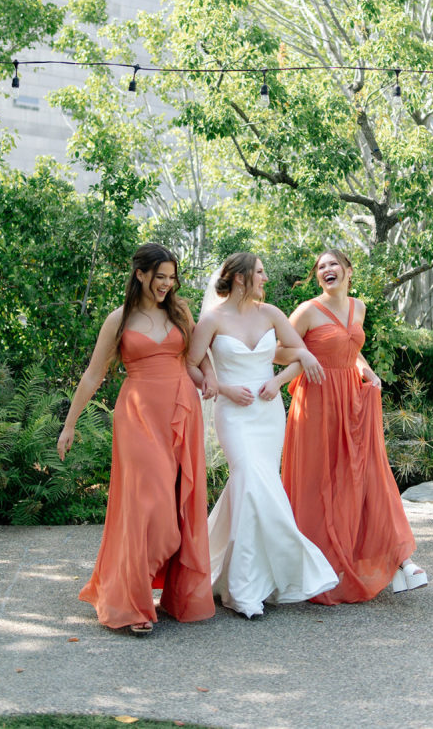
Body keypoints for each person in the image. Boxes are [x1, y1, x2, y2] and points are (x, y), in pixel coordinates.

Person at [57, 243, 216, 635]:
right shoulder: (119, 319)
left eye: (171, 277)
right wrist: (69, 424)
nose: (166, 284)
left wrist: (210, 377)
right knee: (153, 507)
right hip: (138, 416)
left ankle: (151, 591)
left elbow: (197, 356)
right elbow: (93, 375)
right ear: (140, 274)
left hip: (181, 410)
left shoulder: (180, 312)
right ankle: (133, 598)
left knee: (178, 503)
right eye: (159, 276)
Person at [188, 252, 338, 619]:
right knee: (251, 482)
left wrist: (277, 381)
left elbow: (300, 353)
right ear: (240, 278)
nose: (265, 277)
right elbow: (190, 363)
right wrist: (223, 388)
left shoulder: (271, 313)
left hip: (268, 412)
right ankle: (242, 590)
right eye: (259, 272)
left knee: (253, 487)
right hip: (233, 413)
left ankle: (237, 575)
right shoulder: (211, 320)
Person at [277, 249, 427, 603]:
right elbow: (276, 351)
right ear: (318, 276)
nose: (327, 269)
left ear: (348, 271)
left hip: (351, 400)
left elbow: (350, 348)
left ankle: (397, 559)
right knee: (319, 481)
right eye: (321, 266)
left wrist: (366, 370)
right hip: (316, 402)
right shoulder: (307, 311)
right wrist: (304, 354)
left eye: (333, 264)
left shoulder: (359, 307)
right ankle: (314, 567)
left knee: (366, 475)